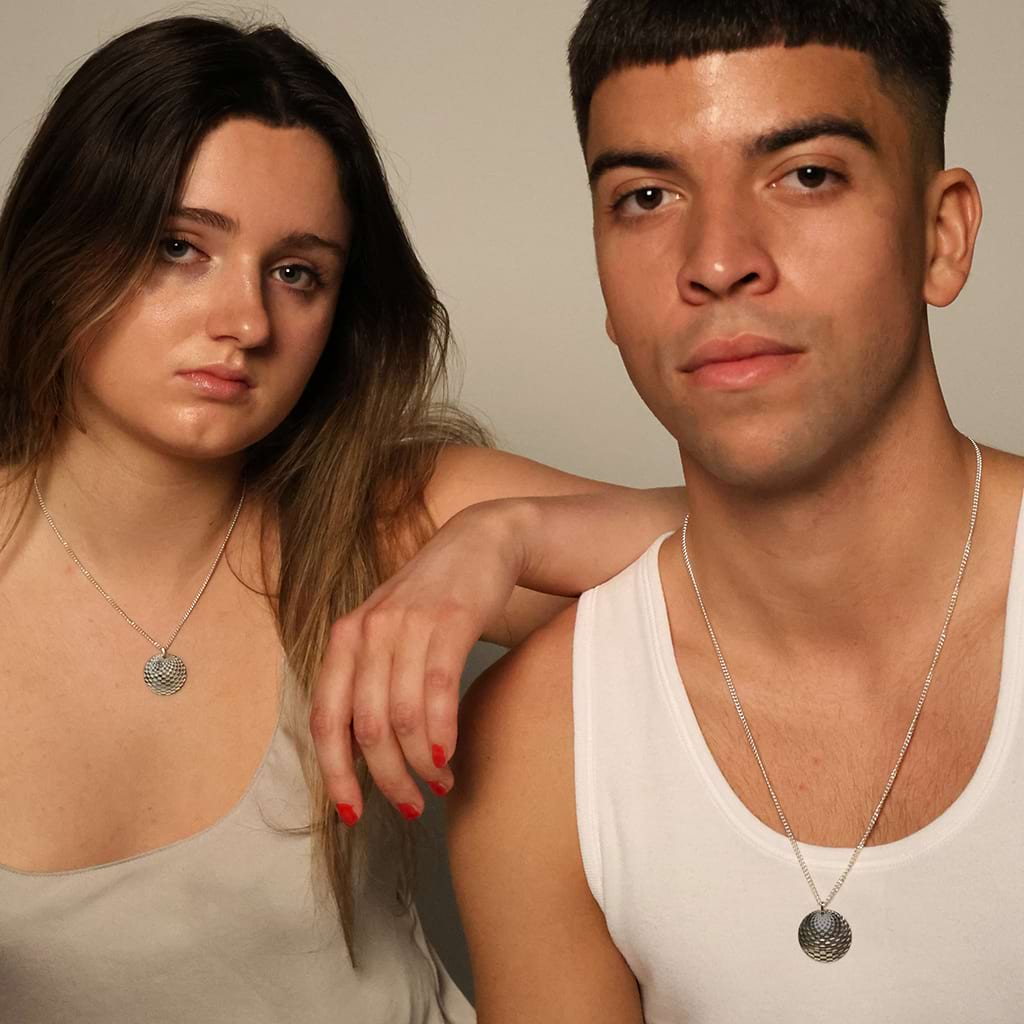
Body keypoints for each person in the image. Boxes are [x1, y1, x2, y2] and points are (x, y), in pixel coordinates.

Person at [0, 16, 686, 1021]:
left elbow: (792, 565)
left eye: (297, 273)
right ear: (62, 246)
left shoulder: (385, 517)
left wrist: (506, 536)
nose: (245, 322)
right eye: (179, 247)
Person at [448, 1, 1024, 1020]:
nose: (717, 259)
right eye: (646, 195)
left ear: (941, 236)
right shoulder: (542, 738)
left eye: (805, 174)